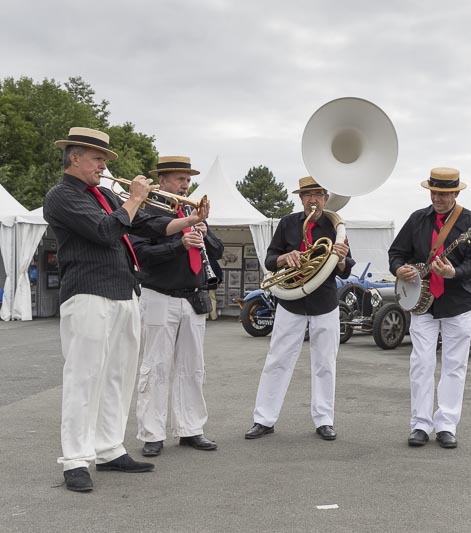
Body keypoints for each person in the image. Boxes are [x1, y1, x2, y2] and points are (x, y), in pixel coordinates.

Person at [43, 128, 209, 493]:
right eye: (97, 159)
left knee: (119, 375)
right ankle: (75, 459)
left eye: (103, 160)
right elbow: (105, 231)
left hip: (123, 293)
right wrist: (133, 198)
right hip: (87, 293)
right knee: (84, 376)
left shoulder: (102, 193)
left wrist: (190, 220)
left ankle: (108, 448)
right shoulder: (61, 196)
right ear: (75, 158)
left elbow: (148, 225)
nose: (103, 166)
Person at [245, 176, 353, 441]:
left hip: (325, 302)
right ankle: (264, 419)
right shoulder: (287, 223)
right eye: (307, 195)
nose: (312, 200)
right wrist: (284, 257)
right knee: (277, 360)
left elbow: (347, 267)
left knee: (325, 363)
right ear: (300, 198)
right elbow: (270, 260)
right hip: (291, 302)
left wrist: (339, 258)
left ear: (326, 198)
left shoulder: (335, 226)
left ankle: (324, 420)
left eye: (317, 194)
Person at [131, 156, 224, 457]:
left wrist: (205, 234)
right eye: (179, 179)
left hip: (193, 295)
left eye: (187, 179)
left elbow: (219, 251)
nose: (186, 184)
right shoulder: (146, 210)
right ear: (162, 182)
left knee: (192, 367)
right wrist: (178, 245)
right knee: (155, 366)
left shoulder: (191, 211)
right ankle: (152, 433)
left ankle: (190, 429)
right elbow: (141, 254)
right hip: (159, 294)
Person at [388, 167, 471, 449]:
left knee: (455, 365)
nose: (438, 198)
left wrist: (453, 272)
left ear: (456, 193)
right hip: (423, 304)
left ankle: (446, 425)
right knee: (421, 363)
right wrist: (400, 269)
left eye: (444, 193)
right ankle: (420, 424)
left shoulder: (470, 221)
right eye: (434, 192)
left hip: (457, 302)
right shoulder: (417, 219)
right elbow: (396, 253)